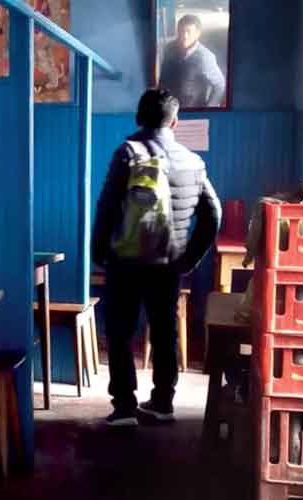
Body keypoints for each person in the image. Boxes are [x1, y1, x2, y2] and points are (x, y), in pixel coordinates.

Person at [92, 89, 221, 427]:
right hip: (168, 264)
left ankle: (123, 407)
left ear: (138, 117)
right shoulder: (193, 162)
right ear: (174, 121)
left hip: (126, 261)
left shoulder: (128, 153)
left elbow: (106, 208)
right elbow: (213, 215)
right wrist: (189, 259)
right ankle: (163, 402)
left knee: (119, 331)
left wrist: (99, 252)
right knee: (164, 331)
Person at [158, 14, 226, 108]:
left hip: (193, 111)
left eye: (189, 32)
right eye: (181, 31)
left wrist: (209, 109)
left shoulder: (204, 57)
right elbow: (163, 77)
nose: (184, 36)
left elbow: (219, 85)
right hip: (170, 109)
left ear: (197, 34)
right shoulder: (169, 49)